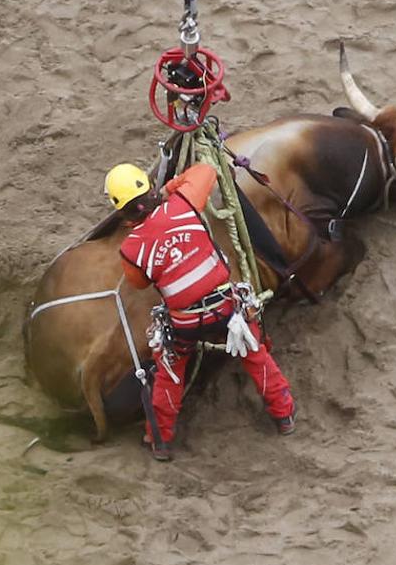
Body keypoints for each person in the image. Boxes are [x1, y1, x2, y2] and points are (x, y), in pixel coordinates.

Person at [105, 161, 296, 461]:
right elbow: (206, 170)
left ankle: (159, 440)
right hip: (225, 310)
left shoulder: (131, 250)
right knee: (255, 352)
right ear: (149, 187)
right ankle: (283, 415)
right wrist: (170, 188)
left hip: (184, 323)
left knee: (169, 373)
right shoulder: (182, 203)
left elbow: (139, 283)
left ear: (122, 212)